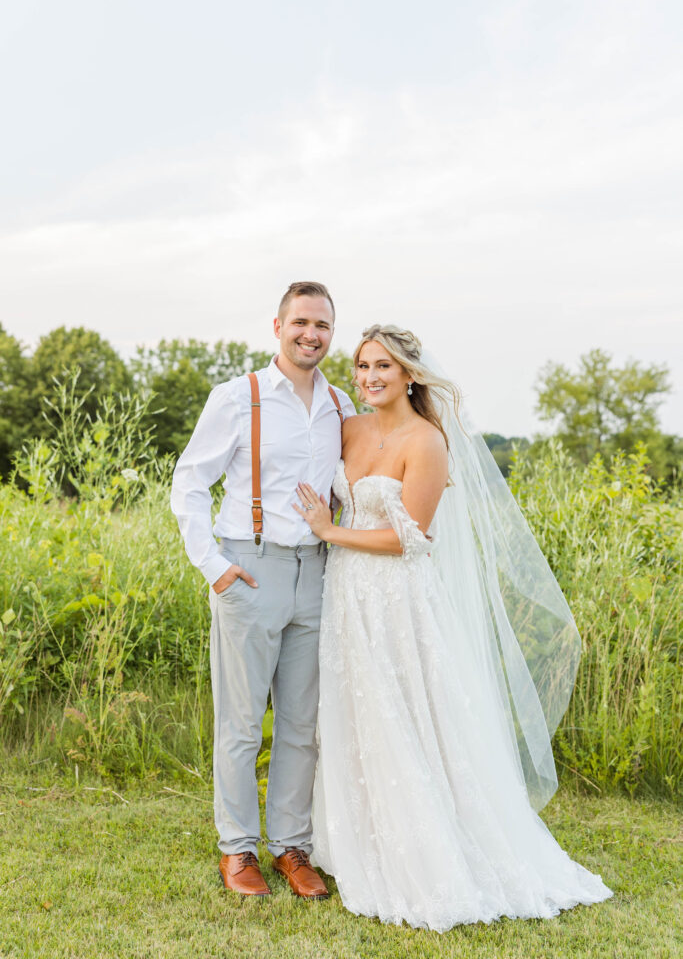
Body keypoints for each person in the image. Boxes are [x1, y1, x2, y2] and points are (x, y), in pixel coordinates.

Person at [293, 323, 613, 931]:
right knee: (354, 713)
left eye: (383, 367)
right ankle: (355, 840)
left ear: (410, 374)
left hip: (396, 596)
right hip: (345, 596)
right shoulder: (349, 428)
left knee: (405, 713)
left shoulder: (428, 441)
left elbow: (411, 539)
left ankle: (426, 851)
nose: (369, 378)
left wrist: (329, 531)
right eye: (362, 367)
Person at [171, 282, 354, 899]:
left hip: (318, 572)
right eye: (300, 322)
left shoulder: (339, 405)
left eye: (322, 325)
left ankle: (292, 849)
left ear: (332, 332)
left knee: (303, 725)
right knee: (243, 723)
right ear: (276, 325)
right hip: (249, 569)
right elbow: (189, 483)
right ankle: (238, 849)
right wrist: (213, 566)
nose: (312, 334)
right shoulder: (238, 396)